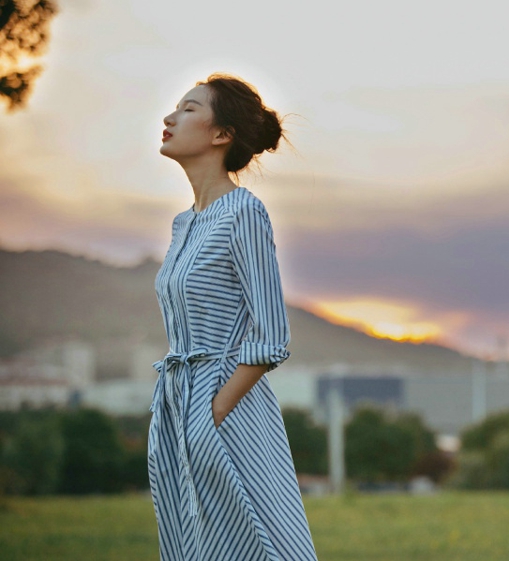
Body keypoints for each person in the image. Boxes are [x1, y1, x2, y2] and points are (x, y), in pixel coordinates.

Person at [150, 73, 318, 560]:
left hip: (225, 404)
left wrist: (215, 411)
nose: (169, 117)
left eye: (187, 108)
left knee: (255, 541)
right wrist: (184, 412)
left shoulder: (243, 212)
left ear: (221, 135)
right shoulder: (185, 223)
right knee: (194, 543)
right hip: (176, 403)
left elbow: (271, 335)